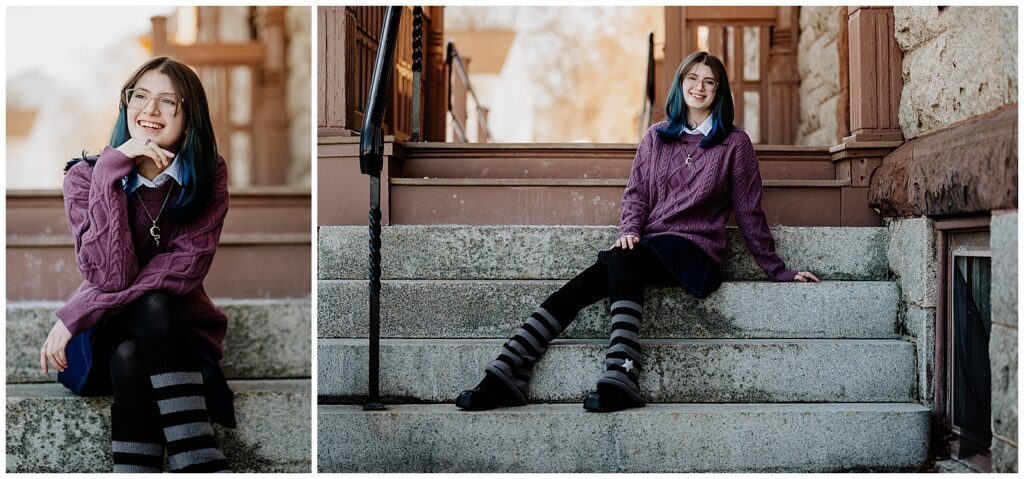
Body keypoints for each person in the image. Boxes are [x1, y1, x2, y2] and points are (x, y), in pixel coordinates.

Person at [456, 51, 821, 413]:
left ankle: (593, 371)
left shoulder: (734, 144)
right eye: (692, 78)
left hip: (696, 253)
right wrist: (629, 229)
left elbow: (748, 212)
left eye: (709, 82)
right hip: (649, 247)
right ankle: (514, 370)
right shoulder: (657, 136)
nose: (699, 87)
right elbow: (637, 194)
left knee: (617, 262)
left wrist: (779, 270)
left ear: (719, 92)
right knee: (599, 274)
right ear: (680, 83)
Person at [39, 56, 235, 472]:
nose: (149, 110)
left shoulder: (208, 175)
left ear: (190, 115)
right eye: (140, 96)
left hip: (176, 334)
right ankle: (198, 456)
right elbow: (111, 276)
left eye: (168, 101)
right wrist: (110, 172)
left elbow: (182, 271)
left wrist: (78, 310)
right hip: (101, 340)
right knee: (136, 328)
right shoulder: (84, 178)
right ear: (126, 103)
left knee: (149, 320)